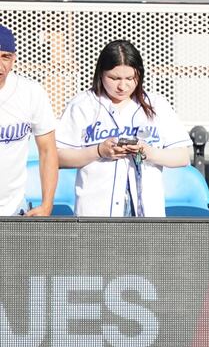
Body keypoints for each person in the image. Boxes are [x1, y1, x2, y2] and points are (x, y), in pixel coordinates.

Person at [55, 40, 192, 217]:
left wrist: (148, 152)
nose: (122, 86)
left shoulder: (157, 104)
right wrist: (99, 151)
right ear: (100, 73)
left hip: (146, 211)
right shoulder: (82, 105)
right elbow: (57, 158)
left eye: (130, 78)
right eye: (114, 78)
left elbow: (182, 157)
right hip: (97, 212)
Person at [0, 24, 59, 216]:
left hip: (14, 208)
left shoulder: (30, 92)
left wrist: (47, 204)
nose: (0, 65)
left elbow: (47, 150)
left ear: (14, 59)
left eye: (5, 57)